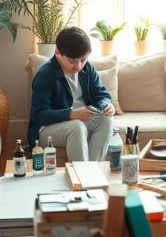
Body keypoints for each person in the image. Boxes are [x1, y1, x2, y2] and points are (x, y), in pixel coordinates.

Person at [29, 26, 116, 161]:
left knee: (107, 119)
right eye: (72, 61)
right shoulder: (44, 74)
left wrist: (106, 104)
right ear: (57, 53)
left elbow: (101, 94)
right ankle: (81, 175)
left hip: (80, 121)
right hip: (48, 128)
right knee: (76, 126)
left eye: (83, 60)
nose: (78, 66)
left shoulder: (88, 68)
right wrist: (71, 114)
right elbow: (39, 114)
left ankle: (91, 171)